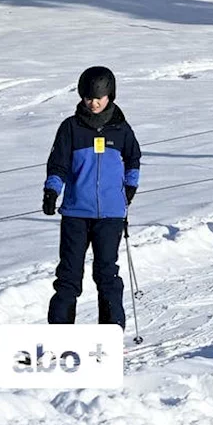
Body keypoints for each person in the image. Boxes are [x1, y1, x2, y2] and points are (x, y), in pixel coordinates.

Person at [43, 66, 141, 328]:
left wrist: (130, 188)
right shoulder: (71, 128)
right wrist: (52, 190)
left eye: (99, 97)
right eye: (88, 97)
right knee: (68, 275)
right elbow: (58, 164)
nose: (93, 102)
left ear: (110, 95)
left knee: (106, 273)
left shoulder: (121, 129)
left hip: (110, 214)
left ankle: (111, 330)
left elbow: (134, 160)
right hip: (76, 212)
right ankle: (60, 330)